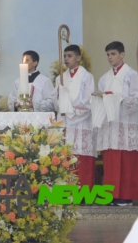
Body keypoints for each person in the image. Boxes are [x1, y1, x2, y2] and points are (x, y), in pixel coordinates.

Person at [95, 41, 138, 206]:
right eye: (108, 54)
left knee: (127, 162)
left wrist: (117, 100)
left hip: (126, 125)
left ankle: (127, 196)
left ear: (122, 54)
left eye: (113, 54)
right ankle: (111, 195)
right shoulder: (104, 78)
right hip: (110, 128)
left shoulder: (131, 75)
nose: (110, 57)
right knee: (111, 163)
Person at [50, 45, 96, 188]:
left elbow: (89, 101)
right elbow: (54, 101)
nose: (66, 59)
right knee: (65, 157)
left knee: (81, 158)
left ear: (78, 58)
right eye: (64, 56)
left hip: (81, 122)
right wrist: (59, 99)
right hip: (65, 123)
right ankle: (66, 191)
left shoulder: (87, 77)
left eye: (69, 56)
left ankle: (82, 192)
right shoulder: (60, 78)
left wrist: (71, 111)